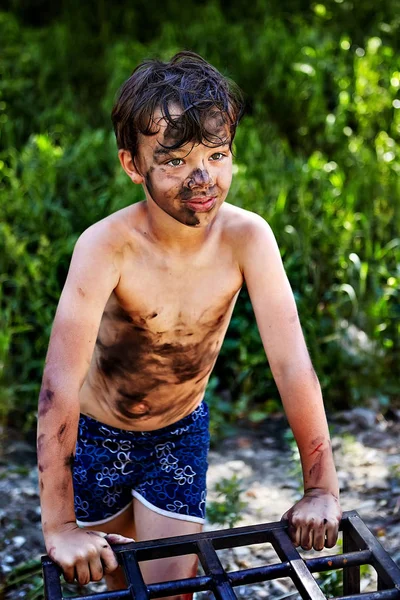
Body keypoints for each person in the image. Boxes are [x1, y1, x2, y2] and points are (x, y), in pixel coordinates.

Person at [37, 51, 342, 599]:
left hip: (179, 431)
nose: (202, 178)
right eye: (175, 161)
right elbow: (59, 383)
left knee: (169, 590)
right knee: (109, 582)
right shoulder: (107, 247)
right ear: (133, 164)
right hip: (97, 436)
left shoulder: (247, 239)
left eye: (218, 154)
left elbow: (292, 364)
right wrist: (58, 525)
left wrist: (321, 487)